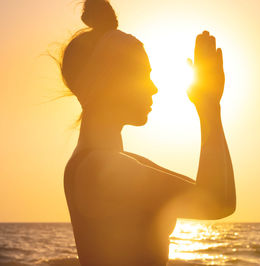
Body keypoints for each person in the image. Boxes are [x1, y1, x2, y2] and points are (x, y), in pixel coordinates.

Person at [62, 0, 236, 265]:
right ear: (110, 82)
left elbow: (220, 200)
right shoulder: (102, 168)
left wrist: (211, 106)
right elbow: (216, 202)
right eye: (144, 74)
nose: (153, 88)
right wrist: (209, 108)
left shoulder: (113, 162)